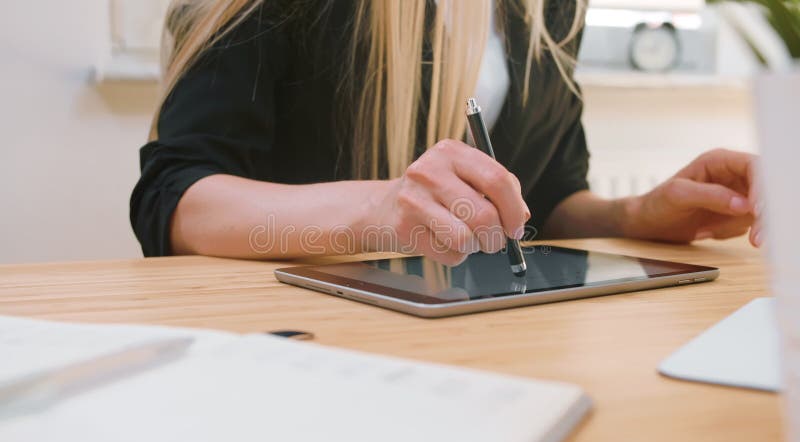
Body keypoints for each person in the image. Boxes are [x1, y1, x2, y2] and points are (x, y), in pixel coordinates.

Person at [131, 0, 761, 265]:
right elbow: (176, 203)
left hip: (469, 339)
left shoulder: (552, 11)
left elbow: (545, 201)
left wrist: (640, 214)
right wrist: (377, 210)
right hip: (294, 338)